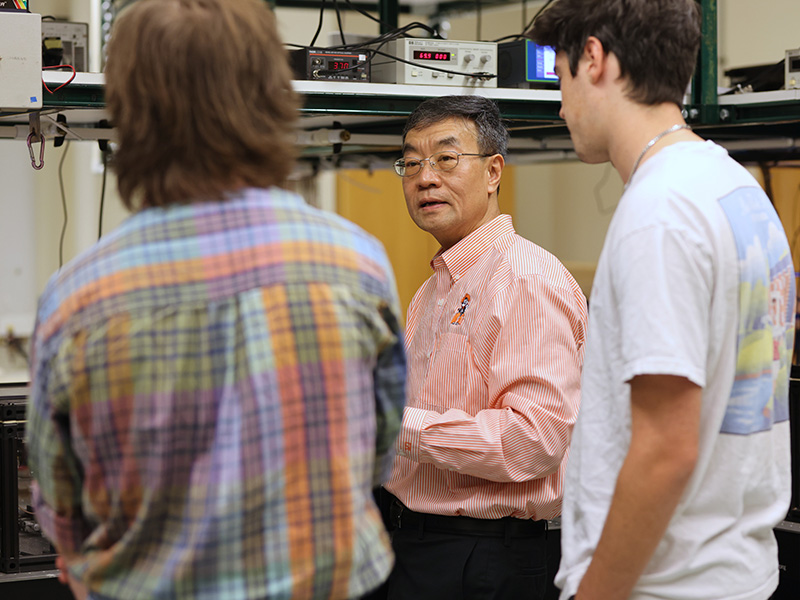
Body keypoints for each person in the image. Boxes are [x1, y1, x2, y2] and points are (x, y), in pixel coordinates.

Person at [25, 1, 406, 599]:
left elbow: (61, 509)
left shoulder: (77, 300)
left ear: (129, 107)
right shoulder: (357, 263)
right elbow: (375, 458)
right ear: (272, 92)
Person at [526, 2, 795, 599]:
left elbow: (665, 450)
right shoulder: (734, 187)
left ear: (594, 59)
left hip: (662, 585)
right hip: (735, 573)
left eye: (563, 75)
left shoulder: (660, 214)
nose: (560, 104)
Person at [378, 95, 588, 600]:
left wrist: (389, 424)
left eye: (446, 159)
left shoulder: (526, 278)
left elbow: (532, 439)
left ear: (493, 172)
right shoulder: (435, 287)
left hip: (480, 557)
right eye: (411, 163)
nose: (425, 178)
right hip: (414, 543)